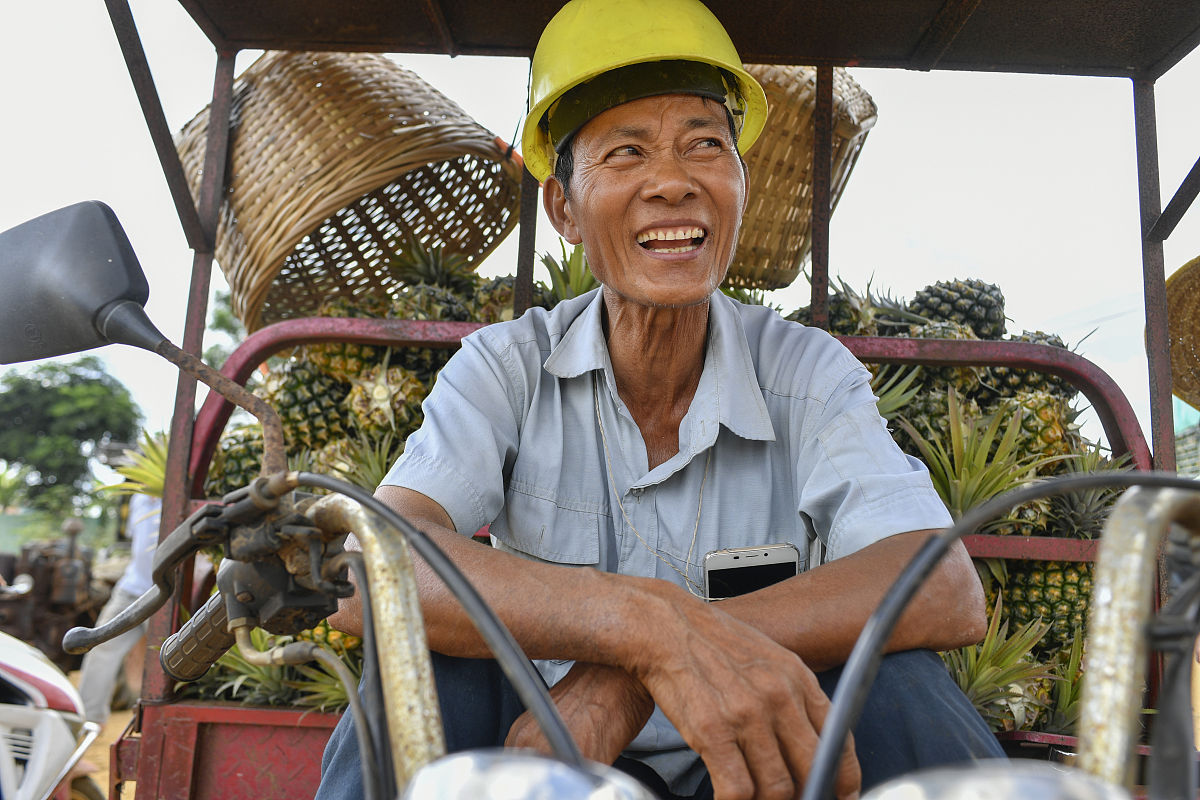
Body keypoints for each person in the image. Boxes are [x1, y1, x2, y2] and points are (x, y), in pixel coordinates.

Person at [317, 1, 1004, 797]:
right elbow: (363, 569)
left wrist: (639, 669)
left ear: (740, 185)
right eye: (626, 152)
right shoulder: (507, 367)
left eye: (705, 146)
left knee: (900, 681)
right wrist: (639, 626)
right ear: (564, 208)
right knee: (424, 677)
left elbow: (944, 587)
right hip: (548, 755)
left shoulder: (807, 371)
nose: (672, 182)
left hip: (753, 759)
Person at [77, 491, 160, 724]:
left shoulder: (180, 495)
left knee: (167, 659)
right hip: (132, 587)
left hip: (167, 591)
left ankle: (157, 723)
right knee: (100, 644)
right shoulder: (139, 499)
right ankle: (87, 721)